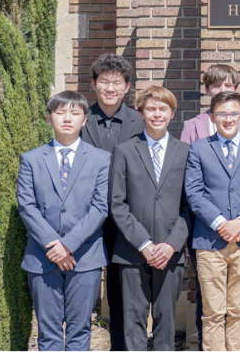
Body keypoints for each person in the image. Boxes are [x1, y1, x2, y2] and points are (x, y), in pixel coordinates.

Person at [19, 91, 112, 351]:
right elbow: (27, 207)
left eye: (74, 113)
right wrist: (53, 245)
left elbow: (100, 207)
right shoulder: (31, 159)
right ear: (49, 119)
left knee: (80, 329)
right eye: (60, 113)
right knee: (47, 332)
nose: (67, 119)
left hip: (85, 257)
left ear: (84, 120)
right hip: (42, 257)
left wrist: (68, 245)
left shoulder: (100, 159)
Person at [110, 86, 192, 351]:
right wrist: (144, 244)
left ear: (172, 113)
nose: (157, 114)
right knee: (132, 319)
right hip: (132, 251)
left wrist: (171, 244)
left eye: (163, 109)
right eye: (151, 109)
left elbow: (190, 206)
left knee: (165, 319)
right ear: (142, 113)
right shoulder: (124, 151)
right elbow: (117, 204)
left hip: (171, 251)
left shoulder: (186, 152)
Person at [184, 91, 240, 351]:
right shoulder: (198, 148)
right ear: (212, 117)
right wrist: (222, 223)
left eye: (233, 114)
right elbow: (194, 194)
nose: (227, 119)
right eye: (221, 114)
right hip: (209, 240)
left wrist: (239, 222)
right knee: (213, 312)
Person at [79, 53, 144, 349]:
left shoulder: (139, 122)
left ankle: (120, 346)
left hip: (125, 219)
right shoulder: (80, 119)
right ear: (93, 84)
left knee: (122, 292)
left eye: (116, 82)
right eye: (104, 81)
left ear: (126, 87)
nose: (110, 87)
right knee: (84, 286)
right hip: (87, 217)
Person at [181, 64, 240, 142]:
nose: (223, 90)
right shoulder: (191, 126)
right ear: (207, 90)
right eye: (216, 85)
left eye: (228, 85)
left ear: (236, 89)